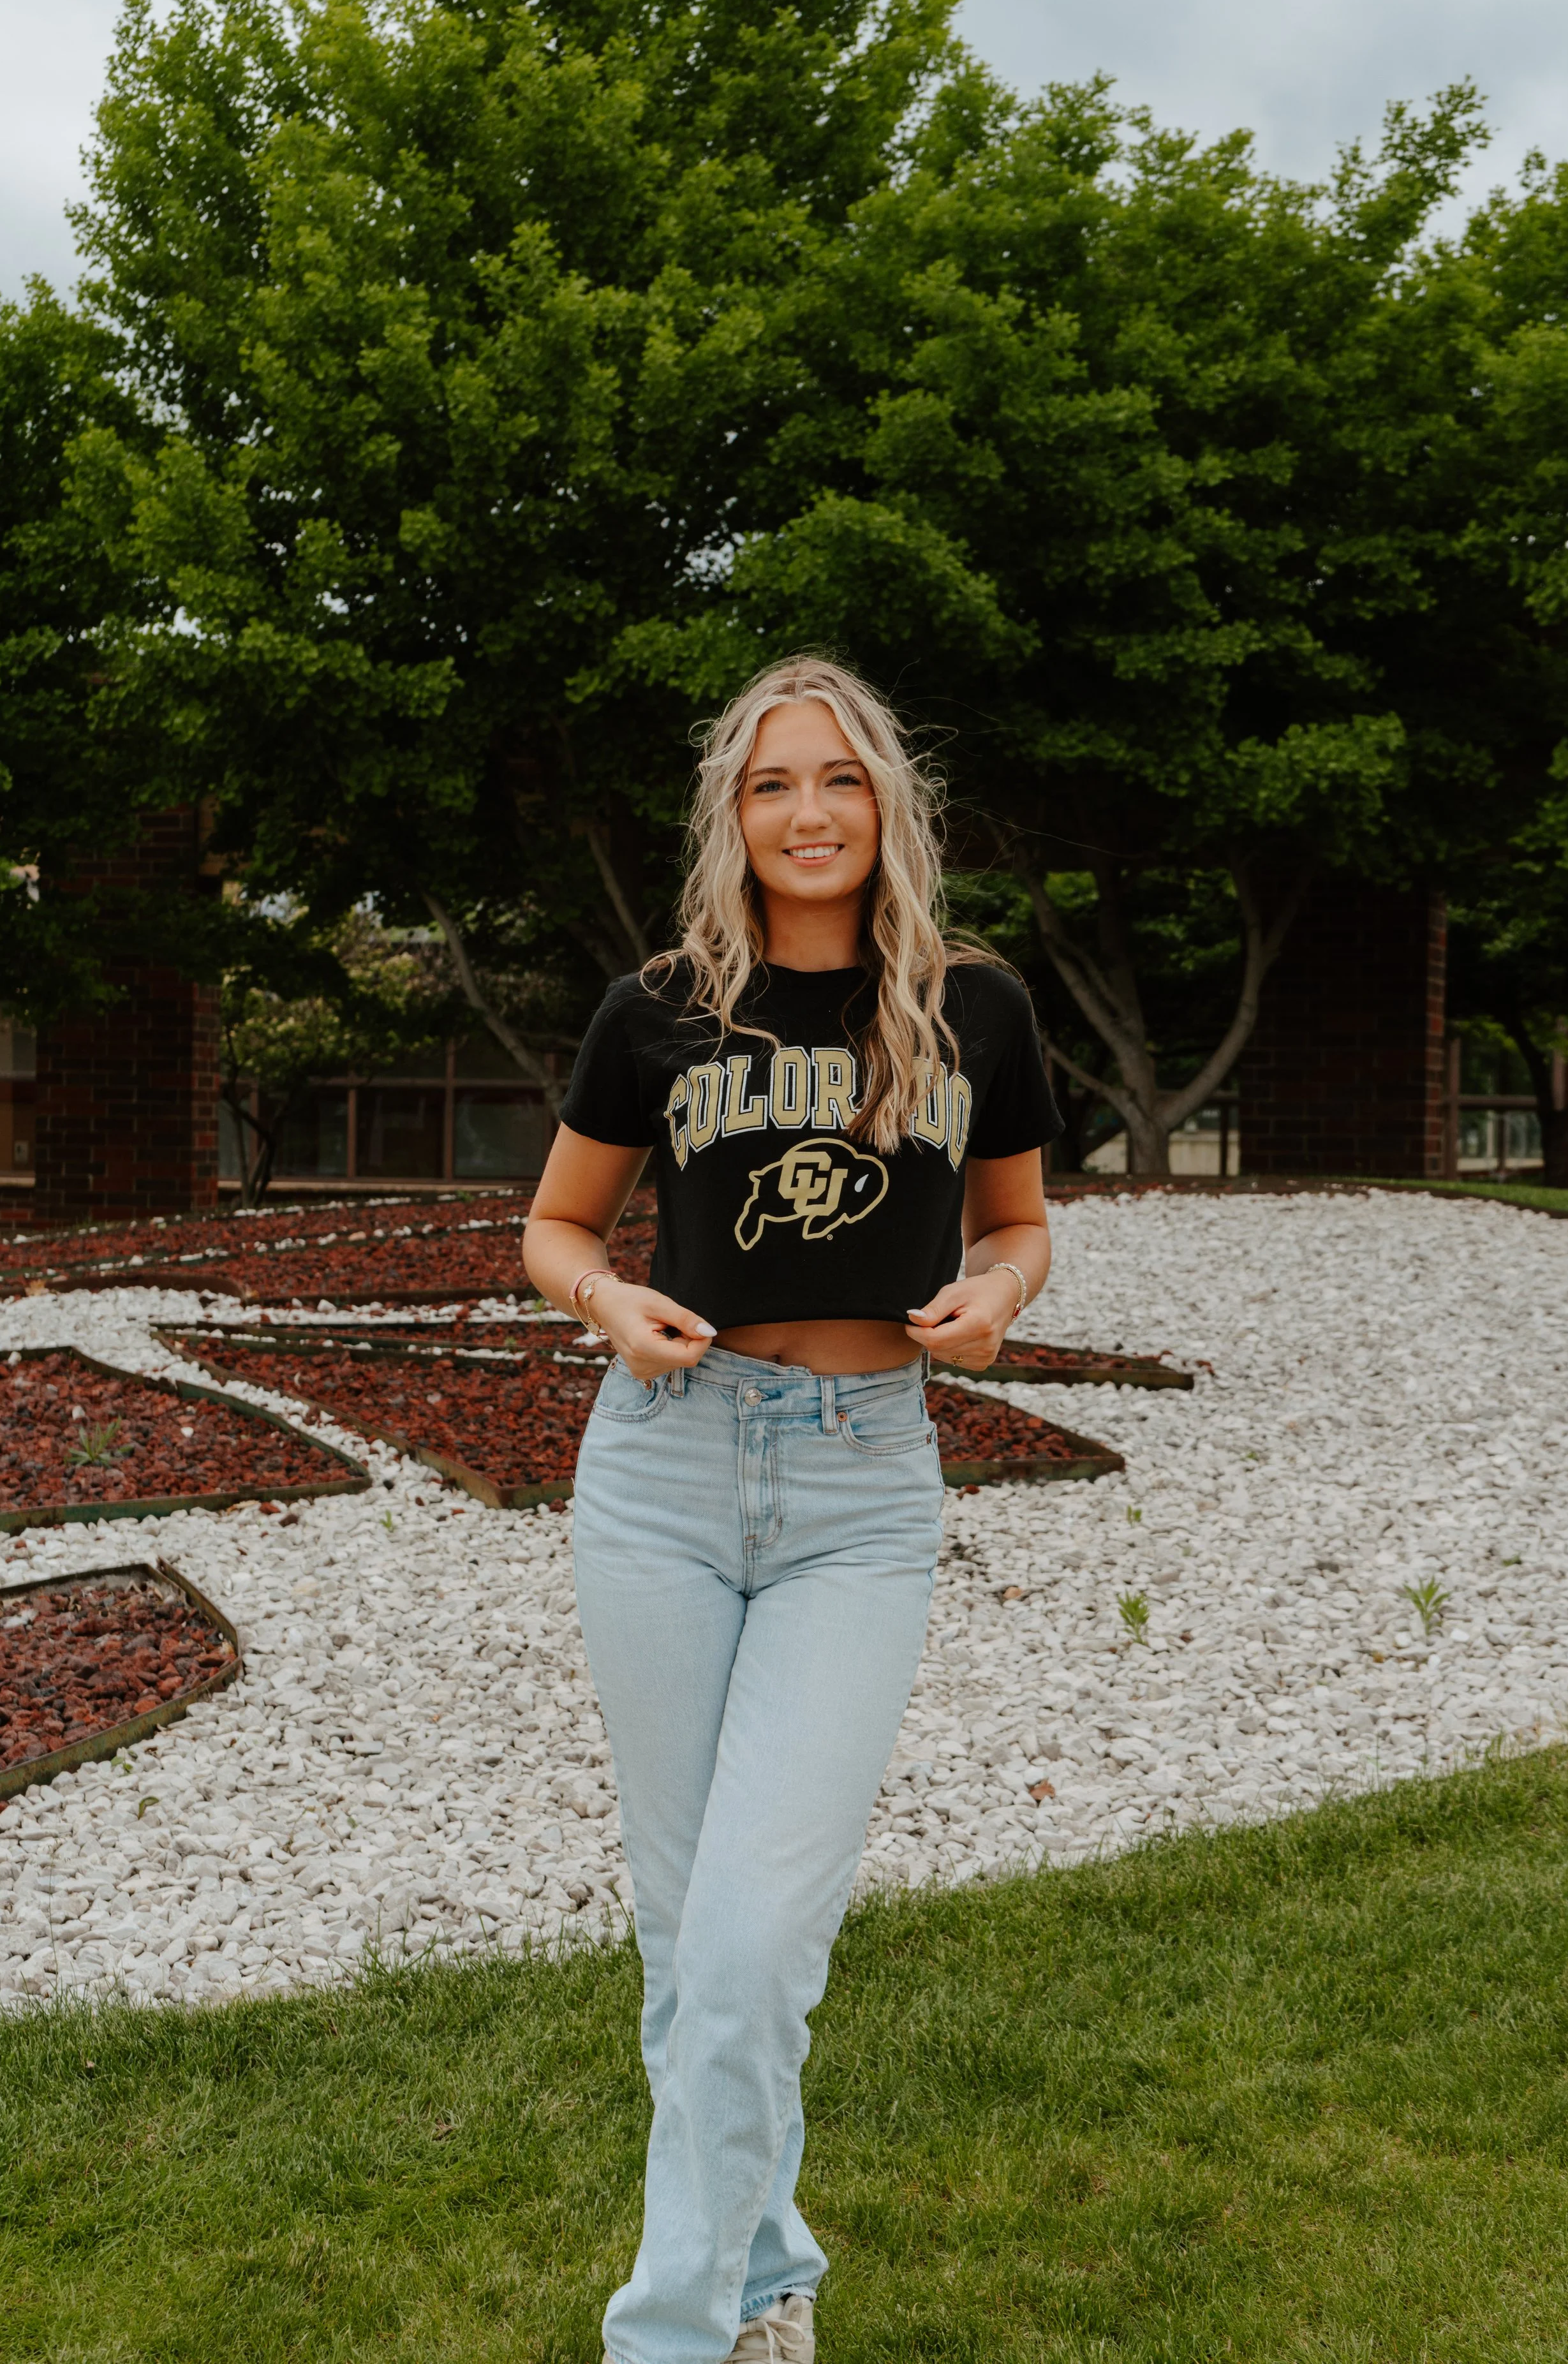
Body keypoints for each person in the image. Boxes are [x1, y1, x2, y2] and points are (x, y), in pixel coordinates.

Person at [523, 656, 1061, 2364]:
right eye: (771, 784)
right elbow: (552, 1228)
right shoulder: (659, 1005)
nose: (808, 811)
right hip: (663, 1472)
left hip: (858, 1484)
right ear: (731, 815)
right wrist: (610, 1305)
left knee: (754, 1938)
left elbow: (1018, 1226)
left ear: (888, 801)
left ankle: (664, 2334)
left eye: (837, 779)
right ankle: (761, 2280)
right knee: (694, 1943)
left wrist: (994, 1301)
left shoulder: (973, 1004)